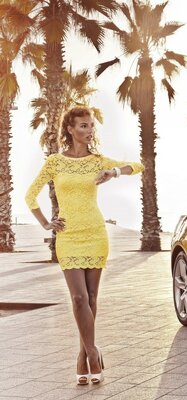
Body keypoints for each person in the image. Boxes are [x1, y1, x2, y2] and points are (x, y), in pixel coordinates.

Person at [25, 107, 144, 385]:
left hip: (95, 233)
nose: (89, 130)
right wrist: (45, 223)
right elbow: (30, 195)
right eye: (83, 126)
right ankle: (93, 352)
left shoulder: (97, 161)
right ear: (70, 129)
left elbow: (136, 166)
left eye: (91, 126)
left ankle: (81, 354)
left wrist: (113, 172)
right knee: (78, 298)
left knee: (91, 298)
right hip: (68, 237)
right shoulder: (55, 162)